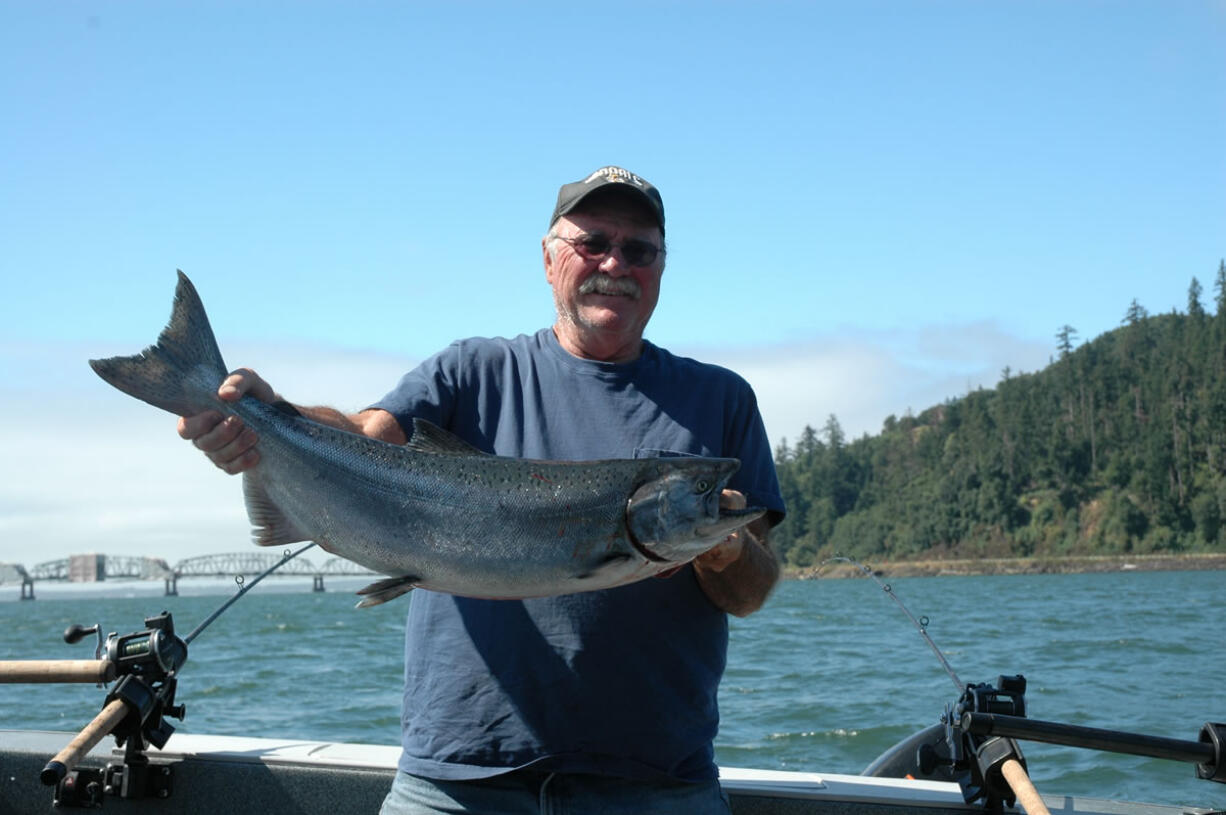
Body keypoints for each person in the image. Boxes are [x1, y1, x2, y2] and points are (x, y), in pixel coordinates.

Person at [178, 166, 786, 814]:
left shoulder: (721, 400)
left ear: (661, 267)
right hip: (457, 779)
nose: (616, 262)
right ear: (550, 259)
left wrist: (723, 548)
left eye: (639, 249)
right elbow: (363, 433)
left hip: (656, 783)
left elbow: (752, 590)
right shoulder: (473, 371)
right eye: (593, 243)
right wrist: (272, 416)